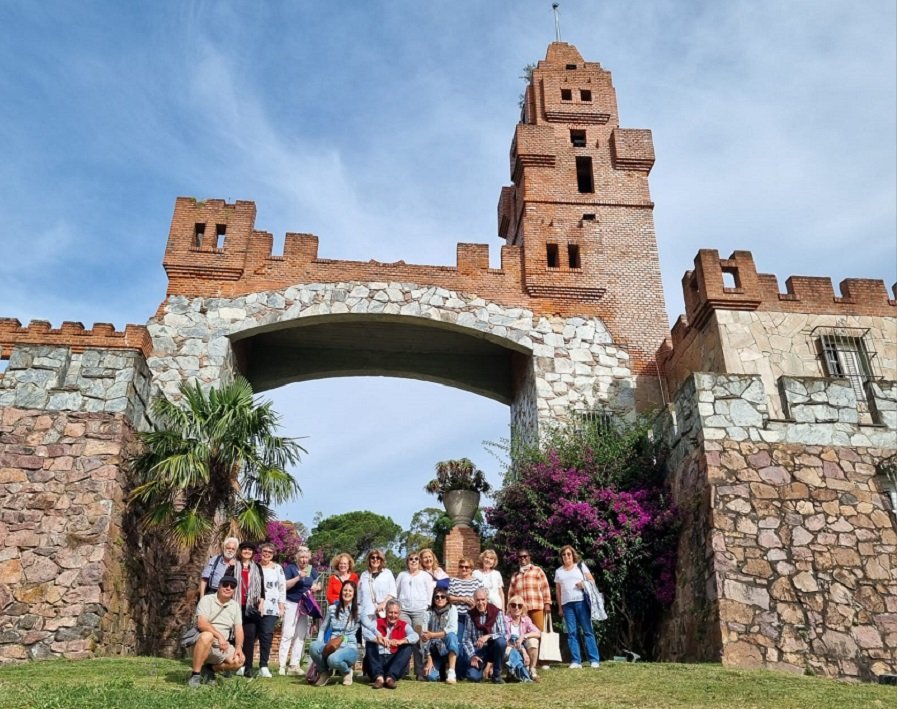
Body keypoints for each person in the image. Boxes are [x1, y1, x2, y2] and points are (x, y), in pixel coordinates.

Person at [309, 579, 375, 686]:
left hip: (350, 647)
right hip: (333, 645)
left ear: (354, 594)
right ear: (341, 592)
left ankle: (347, 672)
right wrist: (320, 643)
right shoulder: (332, 609)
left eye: (350, 591)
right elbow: (322, 628)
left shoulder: (359, 610)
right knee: (313, 646)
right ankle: (324, 672)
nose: (347, 593)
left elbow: (369, 625)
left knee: (333, 659)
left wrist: (381, 635)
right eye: (345, 590)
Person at [186, 575, 244, 687]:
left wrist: (238, 646)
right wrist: (219, 636)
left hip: (221, 646)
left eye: (232, 586)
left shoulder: (235, 606)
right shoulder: (207, 600)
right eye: (225, 585)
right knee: (207, 635)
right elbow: (202, 624)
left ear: (234, 590)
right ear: (219, 586)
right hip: (202, 641)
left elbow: (239, 628)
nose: (228, 588)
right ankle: (195, 675)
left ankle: (209, 669)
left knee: (239, 660)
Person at [554, 545, 600, 669]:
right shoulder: (558, 571)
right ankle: (576, 661)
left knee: (587, 631)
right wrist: (560, 607)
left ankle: (594, 660)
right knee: (571, 633)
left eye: (568, 554)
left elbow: (592, 581)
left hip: (581, 602)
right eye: (564, 555)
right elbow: (558, 591)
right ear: (561, 557)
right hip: (566, 605)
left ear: (573, 555)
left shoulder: (580, 566)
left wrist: (583, 584)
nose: (566, 556)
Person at [279, 545, 321, 675]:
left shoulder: (312, 570)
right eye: (301, 557)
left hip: (305, 605)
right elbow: (284, 586)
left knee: (300, 635)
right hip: (291, 603)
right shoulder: (291, 569)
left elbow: (318, 584)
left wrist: (317, 587)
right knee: (288, 633)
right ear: (297, 558)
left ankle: (294, 665)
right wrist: (298, 578)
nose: (304, 560)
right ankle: (281, 665)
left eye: (306, 558)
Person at [357, 548, 397, 677]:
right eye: (372, 558)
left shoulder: (387, 573)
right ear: (369, 560)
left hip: (383, 613)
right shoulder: (364, 575)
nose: (375, 560)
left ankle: (383, 670)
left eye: (377, 558)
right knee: (368, 641)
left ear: (381, 560)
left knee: (383, 640)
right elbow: (359, 596)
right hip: (367, 613)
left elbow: (392, 592)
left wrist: (384, 603)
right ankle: (369, 670)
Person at [366, 599, 420, 689]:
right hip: (377, 660)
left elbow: (415, 636)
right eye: (390, 612)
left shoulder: (404, 625)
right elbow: (365, 632)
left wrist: (401, 641)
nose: (393, 615)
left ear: (399, 614)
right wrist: (378, 639)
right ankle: (379, 678)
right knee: (370, 642)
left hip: (393, 660)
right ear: (386, 612)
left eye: (396, 613)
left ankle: (390, 678)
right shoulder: (377, 622)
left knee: (408, 646)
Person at [395, 551, 431, 679]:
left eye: (416, 559)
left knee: (419, 640)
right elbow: (396, 591)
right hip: (404, 611)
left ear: (419, 561)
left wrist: (426, 606)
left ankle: (419, 671)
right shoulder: (402, 575)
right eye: (411, 559)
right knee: (404, 639)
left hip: (419, 611)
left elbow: (429, 592)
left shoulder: (425, 576)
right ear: (407, 562)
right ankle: (402, 669)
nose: (414, 561)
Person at [233, 541, 266, 678]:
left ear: (253, 553)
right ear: (240, 551)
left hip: (250, 606)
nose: (247, 551)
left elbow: (262, 587)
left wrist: (262, 602)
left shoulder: (257, 567)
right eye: (244, 549)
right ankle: (233, 664)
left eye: (250, 550)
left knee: (250, 636)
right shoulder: (234, 565)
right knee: (232, 635)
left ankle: (248, 667)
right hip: (235, 605)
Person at [461, 588, 507, 684]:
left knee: (501, 642)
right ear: (474, 600)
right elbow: (466, 639)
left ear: (487, 599)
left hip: (493, 649)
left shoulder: (497, 612)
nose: (480, 602)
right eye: (478, 600)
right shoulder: (470, 615)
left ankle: (496, 675)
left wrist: (488, 636)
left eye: (483, 599)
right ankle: (480, 670)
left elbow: (504, 633)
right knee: (473, 677)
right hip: (478, 651)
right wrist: (472, 655)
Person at [255, 542, 285, 678]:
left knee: (266, 635)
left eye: (270, 552)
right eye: (264, 551)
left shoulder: (277, 568)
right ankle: (245, 664)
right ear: (260, 552)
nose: (266, 554)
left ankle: (263, 665)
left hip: (271, 607)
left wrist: (281, 605)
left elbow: (282, 587)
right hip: (254, 606)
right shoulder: (254, 567)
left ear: (273, 554)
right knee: (250, 635)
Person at [508, 549, 552, 636]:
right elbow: (511, 594)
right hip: (521, 610)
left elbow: (545, 587)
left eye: (525, 556)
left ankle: (541, 650)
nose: (522, 558)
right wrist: (509, 608)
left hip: (536, 606)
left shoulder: (537, 570)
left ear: (529, 557)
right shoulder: (515, 575)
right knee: (523, 633)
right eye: (520, 557)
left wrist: (547, 603)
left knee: (540, 632)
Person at [421, 586, 459, 684]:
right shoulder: (427, 612)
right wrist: (429, 659)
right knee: (431, 677)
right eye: (436, 597)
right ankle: (440, 671)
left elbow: (453, 629)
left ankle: (451, 671)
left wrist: (432, 635)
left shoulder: (452, 609)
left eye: (442, 596)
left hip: (447, 648)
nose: (440, 599)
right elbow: (424, 637)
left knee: (452, 636)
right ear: (433, 599)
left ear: (447, 599)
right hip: (434, 650)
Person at [504, 594, 541, 681]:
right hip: (509, 647)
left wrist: (524, 636)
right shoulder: (504, 619)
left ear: (522, 608)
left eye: (519, 606)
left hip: (522, 646)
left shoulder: (526, 619)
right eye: (513, 605)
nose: (516, 608)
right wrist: (522, 651)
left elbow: (538, 633)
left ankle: (532, 670)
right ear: (509, 607)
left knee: (533, 641)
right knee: (508, 650)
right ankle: (513, 671)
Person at [447, 556, 481, 643]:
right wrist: (463, 599)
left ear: (471, 569)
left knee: (473, 639)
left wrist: (476, 603)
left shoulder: (477, 582)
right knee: (459, 639)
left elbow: (483, 597)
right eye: (461, 566)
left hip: (473, 615)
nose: (464, 569)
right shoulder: (453, 581)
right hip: (458, 615)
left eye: (466, 567)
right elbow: (449, 598)